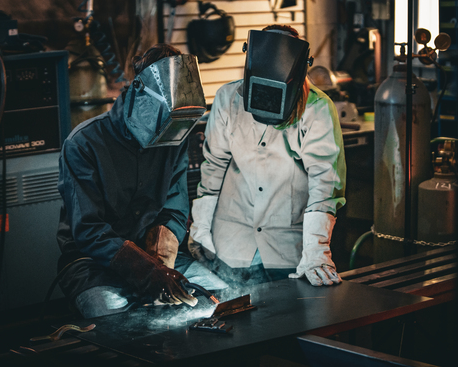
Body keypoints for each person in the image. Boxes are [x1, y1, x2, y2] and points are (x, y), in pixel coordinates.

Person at [56, 44, 228, 319]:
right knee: (118, 320)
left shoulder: (174, 138)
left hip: (159, 260)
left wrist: (160, 266)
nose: (170, 134)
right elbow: (89, 230)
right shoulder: (84, 143)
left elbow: (173, 209)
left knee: (221, 301)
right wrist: (148, 272)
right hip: (94, 264)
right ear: (138, 93)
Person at [188, 25, 346, 287]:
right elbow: (214, 165)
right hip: (231, 244)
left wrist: (316, 251)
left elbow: (325, 185)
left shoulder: (317, 108)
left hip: (286, 251)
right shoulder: (228, 98)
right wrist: (201, 227)